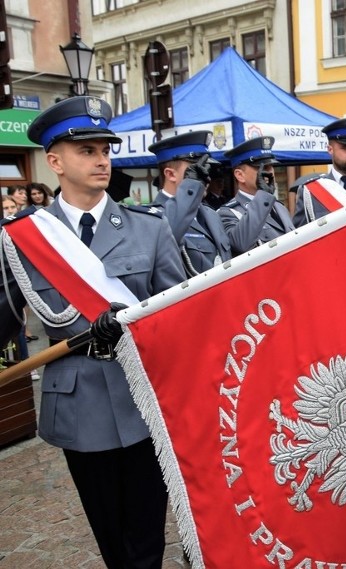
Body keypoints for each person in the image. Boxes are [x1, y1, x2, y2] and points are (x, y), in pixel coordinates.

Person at [0, 96, 185, 568]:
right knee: (110, 539)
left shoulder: (150, 230)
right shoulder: (23, 237)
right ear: (55, 161)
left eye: (105, 149)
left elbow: (180, 314)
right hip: (78, 404)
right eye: (86, 151)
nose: (101, 159)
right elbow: (4, 315)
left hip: (142, 399)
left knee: (147, 535)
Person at [148, 131, 232, 275]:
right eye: (197, 170)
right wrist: (192, 186)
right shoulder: (151, 218)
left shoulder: (211, 214)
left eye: (206, 169)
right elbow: (169, 237)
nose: (206, 177)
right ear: (170, 174)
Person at [218, 136, 295, 254]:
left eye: (270, 166)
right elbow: (241, 244)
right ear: (240, 175)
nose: (269, 172)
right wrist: (263, 195)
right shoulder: (227, 213)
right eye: (261, 167)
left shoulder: (279, 207)